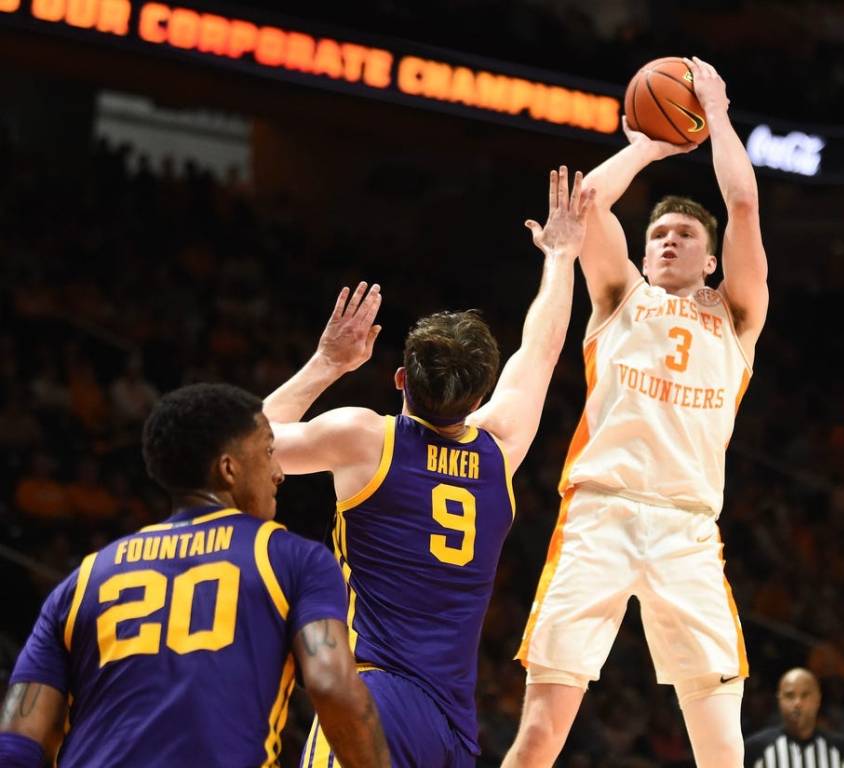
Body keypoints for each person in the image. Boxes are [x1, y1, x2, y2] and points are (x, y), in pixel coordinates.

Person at [262, 167, 594, 768]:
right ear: (479, 396)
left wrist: (327, 363)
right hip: (452, 725)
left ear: (398, 380)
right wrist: (562, 257)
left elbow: (246, 443)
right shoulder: (500, 451)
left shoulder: (364, 438)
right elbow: (541, 349)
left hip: (372, 698)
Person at [504, 57, 770, 768]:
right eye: (659, 236)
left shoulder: (736, 317)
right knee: (539, 734)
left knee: (723, 752)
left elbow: (742, 206)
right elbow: (586, 206)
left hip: (687, 528)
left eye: (685, 236)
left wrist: (714, 113)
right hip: (601, 515)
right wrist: (649, 145)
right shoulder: (622, 298)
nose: (669, 241)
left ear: (712, 262)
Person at [0, 383, 389, 768]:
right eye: (269, 453)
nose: (278, 473)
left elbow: (17, 739)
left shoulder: (83, 580)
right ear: (228, 469)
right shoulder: (291, 558)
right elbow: (331, 685)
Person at [745, 668, 844, 768]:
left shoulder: (843, 749)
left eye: (805, 695)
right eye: (790, 695)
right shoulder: (755, 749)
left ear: (818, 699)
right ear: (779, 700)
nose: (797, 703)